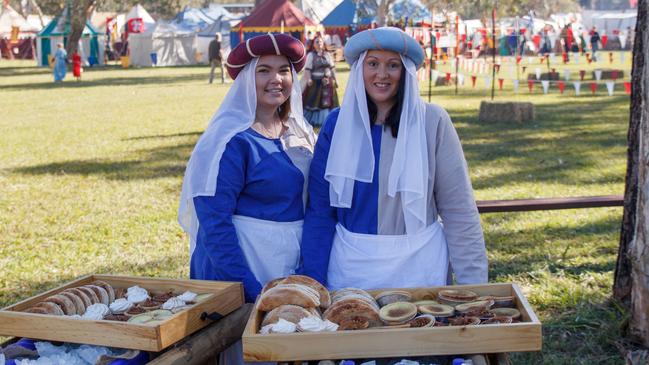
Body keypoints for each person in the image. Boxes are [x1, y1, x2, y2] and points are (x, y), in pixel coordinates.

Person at [299, 27, 488, 291]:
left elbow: (458, 209)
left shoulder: (433, 121)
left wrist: (474, 286)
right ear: (359, 70)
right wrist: (313, 280)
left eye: (393, 65)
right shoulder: (336, 123)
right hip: (351, 268)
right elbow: (320, 209)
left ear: (406, 72)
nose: (382, 74)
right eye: (373, 64)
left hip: (420, 265)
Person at [179, 33, 314, 365]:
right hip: (244, 263)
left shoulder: (298, 133)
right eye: (263, 70)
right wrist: (248, 289)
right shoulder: (229, 140)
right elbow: (213, 222)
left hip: (285, 264)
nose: (276, 80)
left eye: (284, 70)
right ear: (244, 79)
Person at [301, 35, 339, 126]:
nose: (319, 43)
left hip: (327, 83)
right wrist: (309, 79)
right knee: (314, 102)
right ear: (313, 44)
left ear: (323, 43)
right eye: (317, 42)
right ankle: (315, 120)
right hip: (315, 83)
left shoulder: (327, 55)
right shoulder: (311, 55)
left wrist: (335, 80)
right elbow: (307, 70)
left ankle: (328, 119)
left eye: (320, 41)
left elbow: (332, 68)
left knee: (328, 102)